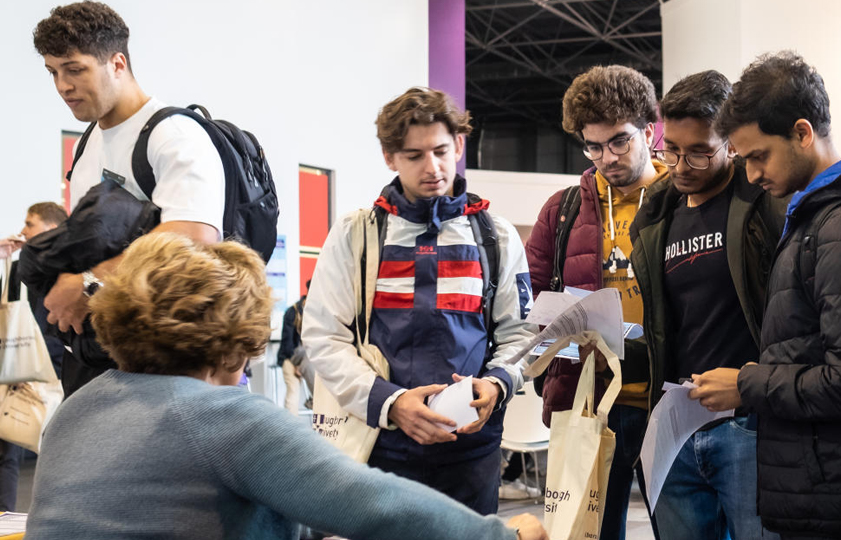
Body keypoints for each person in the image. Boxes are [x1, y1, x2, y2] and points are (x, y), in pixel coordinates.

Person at [23, 233, 547, 540]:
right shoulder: (223, 417)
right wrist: (501, 535)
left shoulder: (77, 409)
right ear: (234, 346)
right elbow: (374, 504)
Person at [691, 51, 841, 539]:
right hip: (821, 482)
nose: (752, 175)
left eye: (759, 156)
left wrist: (747, 384)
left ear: (802, 133)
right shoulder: (821, 217)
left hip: (837, 492)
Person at [302, 87, 536, 515]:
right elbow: (323, 337)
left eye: (441, 151)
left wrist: (497, 384)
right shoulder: (356, 235)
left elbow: (521, 335)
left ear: (459, 146)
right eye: (414, 155)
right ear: (389, 157)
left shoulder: (496, 236)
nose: (432, 167)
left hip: (472, 452)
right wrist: (390, 403)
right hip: (380, 449)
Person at [33, 1, 224, 395]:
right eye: (53, 72)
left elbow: (196, 238)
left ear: (117, 63)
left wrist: (88, 283)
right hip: (97, 354)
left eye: (74, 69)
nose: (62, 86)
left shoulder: (172, 134)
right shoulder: (87, 143)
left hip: (163, 361)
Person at [628, 70, 786, 540]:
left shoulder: (765, 207)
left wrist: (755, 385)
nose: (680, 165)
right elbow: (669, 327)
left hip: (747, 424)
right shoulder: (656, 217)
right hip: (676, 422)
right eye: (671, 149)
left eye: (699, 151)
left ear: (731, 144)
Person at [525, 64, 668, 540]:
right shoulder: (562, 209)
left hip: (667, 401)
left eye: (620, 141)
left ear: (649, 130)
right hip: (590, 401)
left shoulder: (680, 200)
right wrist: (564, 349)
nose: (607, 158)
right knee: (588, 532)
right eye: (593, 146)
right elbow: (535, 304)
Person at [0, 202, 68, 512]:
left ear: (51, 229)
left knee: (59, 448)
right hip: (21, 371)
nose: (23, 231)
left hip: (55, 372)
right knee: (9, 447)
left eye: (30, 224)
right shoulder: (18, 269)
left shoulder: (72, 270)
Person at [278, 280, 309, 414]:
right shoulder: (293, 312)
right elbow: (288, 344)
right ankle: (290, 424)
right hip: (290, 359)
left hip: (308, 360)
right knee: (293, 392)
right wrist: (297, 364)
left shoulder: (318, 313)